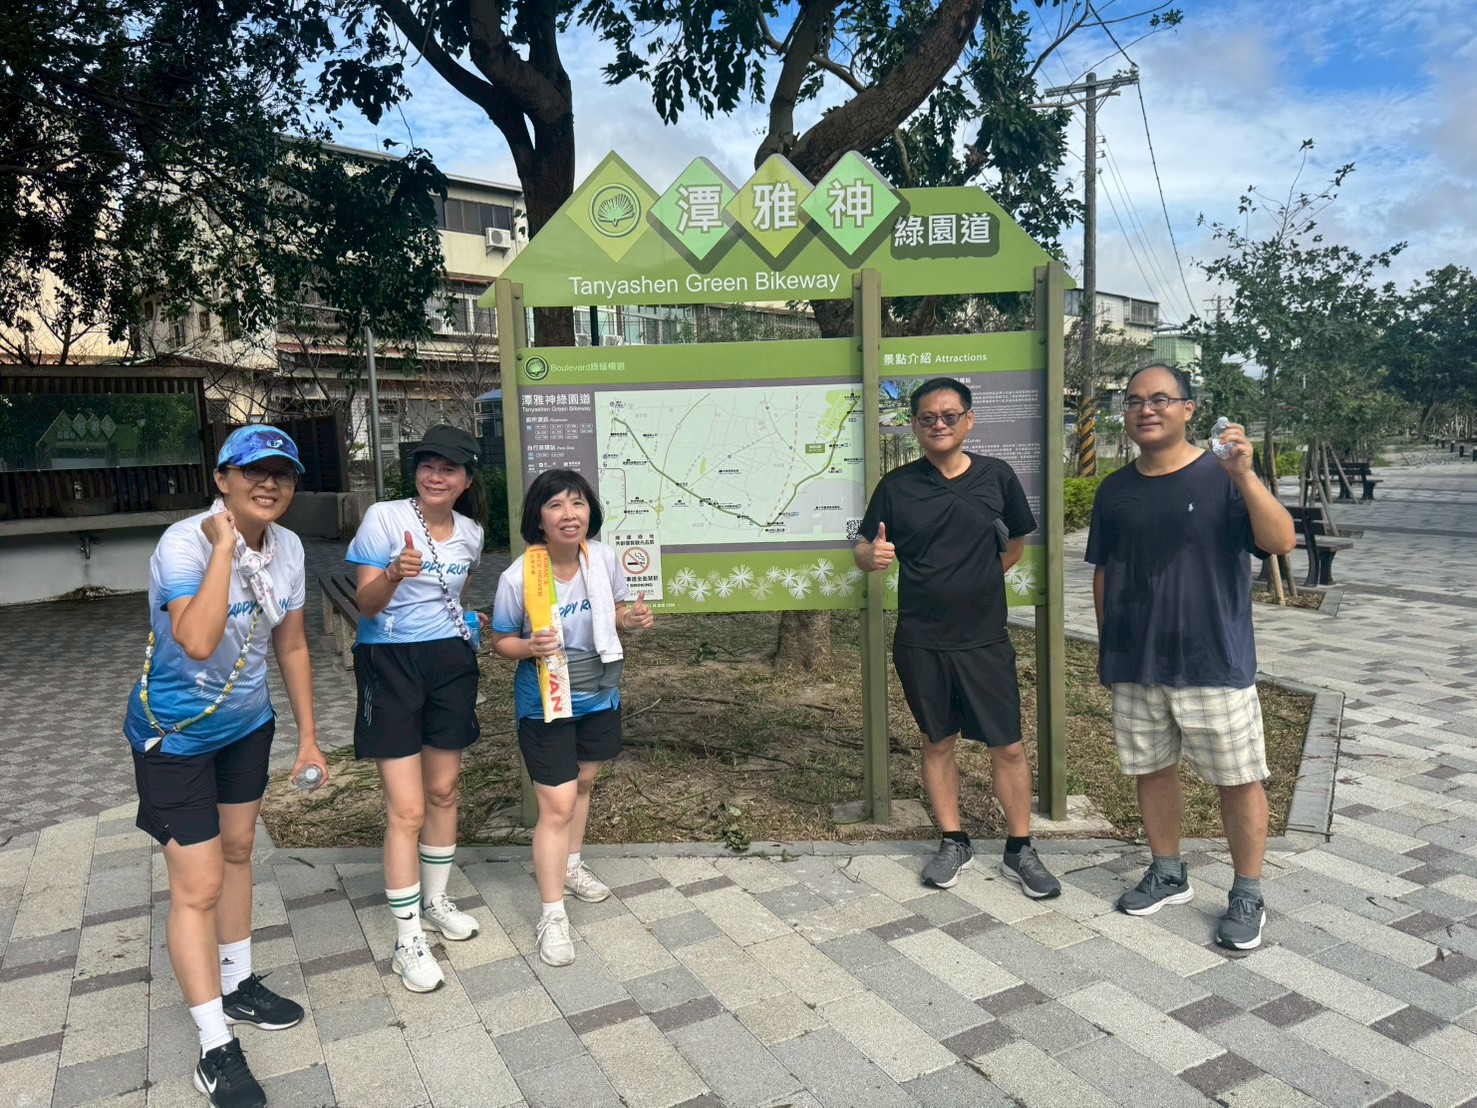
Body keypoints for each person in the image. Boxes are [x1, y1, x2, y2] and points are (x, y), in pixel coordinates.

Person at [124, 426, 328, 1108]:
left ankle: (237, 982)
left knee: (239, 851)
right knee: (199, 885)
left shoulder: (289, 547)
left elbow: (291, 644)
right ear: (223, 479)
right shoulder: (184, 544)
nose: (269, 484)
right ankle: (215, 1048)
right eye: (254, 471)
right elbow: (198, 639)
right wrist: (223, 550)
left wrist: (308, 738)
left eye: (283, 474)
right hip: (175, 738)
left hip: (246, 727)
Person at [1086, 364, 1295, 950]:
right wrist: (1109, 649)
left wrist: (1246, 476)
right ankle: (1167, 871)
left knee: (1238, 779)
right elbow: (1104, 572)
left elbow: (1280, 542)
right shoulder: (1114, 489)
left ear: (1188, 409)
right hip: (1137, 662)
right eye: (1134, 401)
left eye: (1159, 399)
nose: (1145, 410)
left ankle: (1247, 892)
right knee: (1151, 769)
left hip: (1213, 661)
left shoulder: (1224, 476)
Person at [854, 377, 1060, 898]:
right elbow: (863, 548)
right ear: (915, 426)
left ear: (969, 420)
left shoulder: (997, 476)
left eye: (949, 415)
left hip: (984, 638)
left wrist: (978, 580)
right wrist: (871, 557)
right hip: (921, 639)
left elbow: (1015, 544)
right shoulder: (897, 486)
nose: (939, 424)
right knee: (937, 740)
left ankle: (1020, 848)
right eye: (928, 418)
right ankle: (953, 840)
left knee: (1007, 745)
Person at [490, 469, 654, 967]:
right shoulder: (519, 576)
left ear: (590, 513)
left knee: (582, 784)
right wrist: (529, 646)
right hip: (546, 700)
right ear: (538, 518)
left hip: (598, 691)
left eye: (578, 503)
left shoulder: (601, 559)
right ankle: (552, 915)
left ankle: (571, 865)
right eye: (556, 505)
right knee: (557, 806)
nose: (569, 514)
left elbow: (616, 612)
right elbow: (500, 641)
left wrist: (631, 619)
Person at [347, 424, 489, 993]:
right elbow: (366, 604)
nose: (436, 476)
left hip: (449, 662)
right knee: (406, 809)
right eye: (428, 465)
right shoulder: (384, 518)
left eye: (449, 468)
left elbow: (454, 598)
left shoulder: (472, 533)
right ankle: (407, 940)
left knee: (444, 791)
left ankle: (435, 902)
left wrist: (468, 624)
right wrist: (391, 574)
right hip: (389, 663)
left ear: (466, 480)